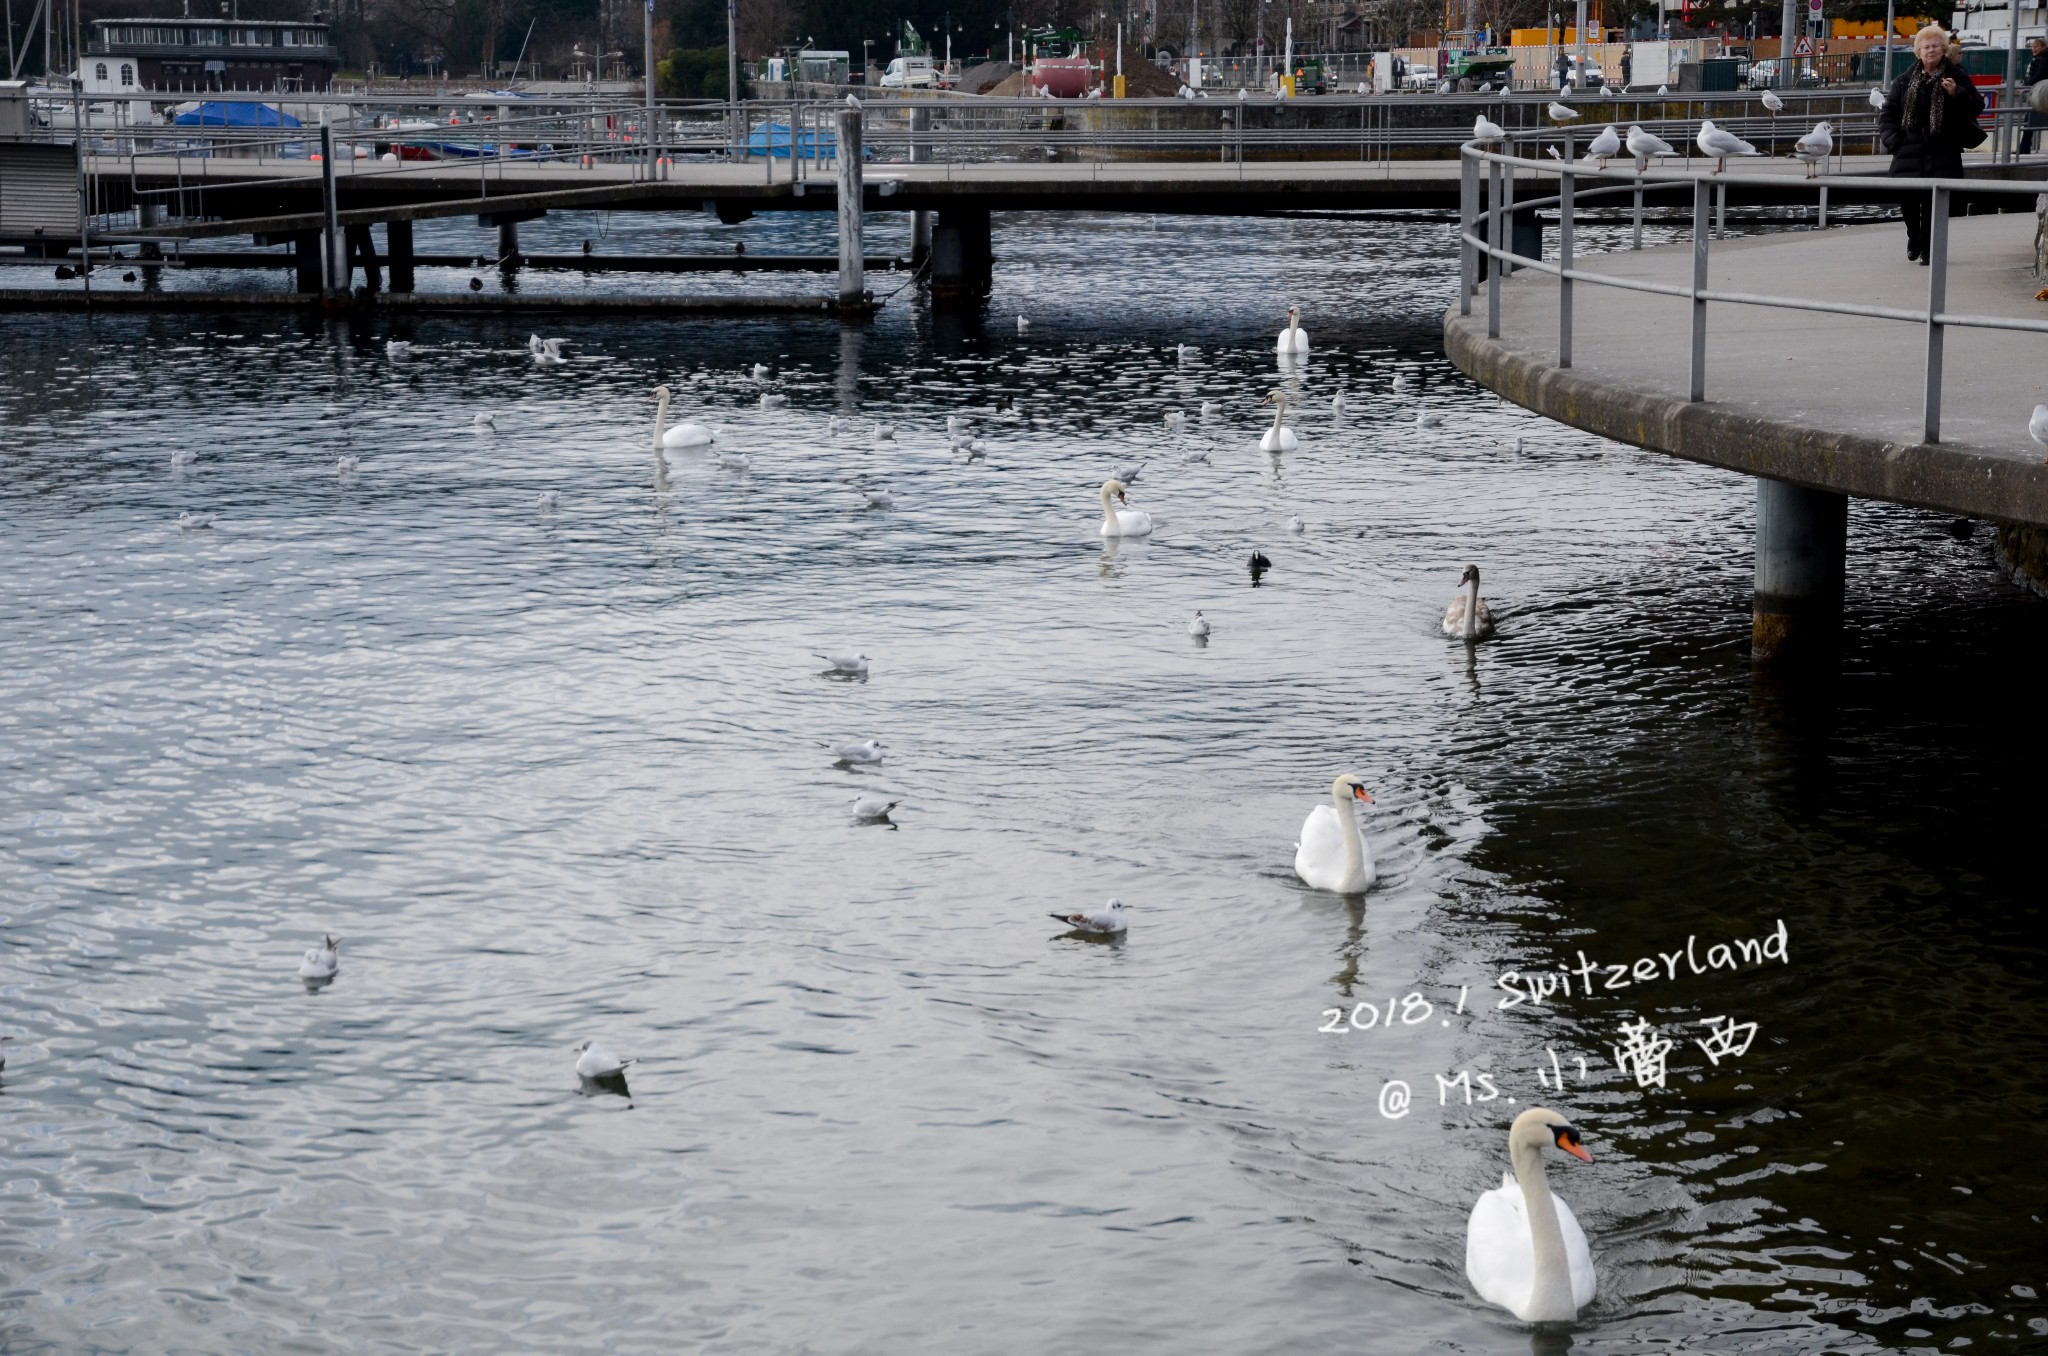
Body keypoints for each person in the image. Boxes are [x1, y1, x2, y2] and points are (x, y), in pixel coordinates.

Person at [1877, 24, 1988, 265]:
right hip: (1909, 150)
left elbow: (1977, 107)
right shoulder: (1904, 80)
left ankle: (1928, 248)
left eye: (1936, 46)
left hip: (1942, 149)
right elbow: (1888, 115)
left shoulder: (1956, 76)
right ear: (1918, 51)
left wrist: (1956, 93)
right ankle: (1913, 238)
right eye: (1926, 47)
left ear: (1944, 50)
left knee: (1933, 204)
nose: (1931, 50)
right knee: (1908, 201)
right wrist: (1894, 141)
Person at [2020, 36, 2046, 156]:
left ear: (2043, 47)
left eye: (2037, 46)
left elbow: (2040, 75)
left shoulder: (2044, 59)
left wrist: (2026, 85)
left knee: (2029, 119)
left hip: (2041, 95)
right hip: (2039, 94)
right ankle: (2024, 146)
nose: (2034, 49)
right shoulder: (2038, 59)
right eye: (2032, 47)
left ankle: (2025, 147)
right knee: (2029, 119)